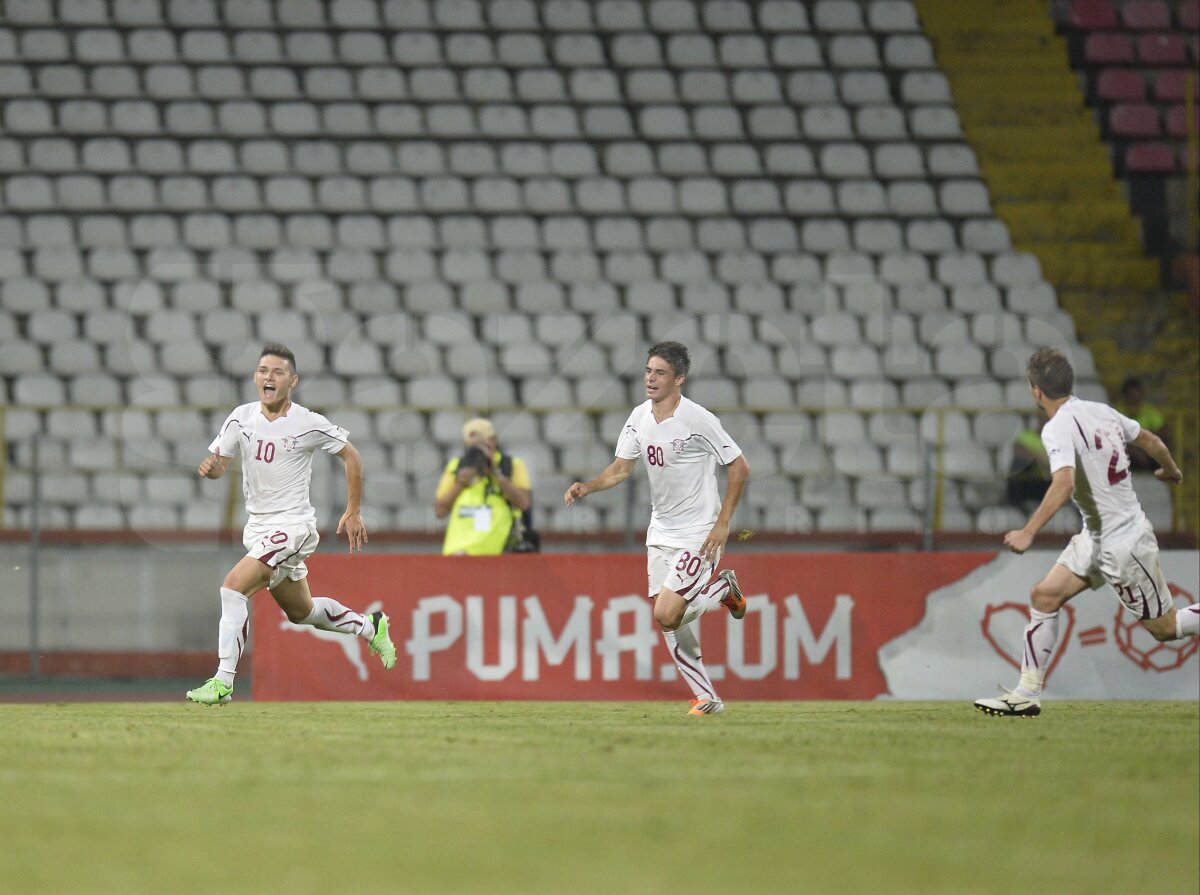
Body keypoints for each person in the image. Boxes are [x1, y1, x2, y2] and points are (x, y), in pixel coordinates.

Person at [975, 348, 1198, 717]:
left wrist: (1028, 532)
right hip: (1096, 537)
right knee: (1044, 595)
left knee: (1166, 628)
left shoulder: (1056, 427)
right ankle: (1026, 694)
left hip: (1124, 544)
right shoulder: (1101, 410)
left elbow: (1063, 483)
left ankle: (1026, 692)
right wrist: (1170, 470)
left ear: (1036, 390)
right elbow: (1152, 441)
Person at [186, 343, 395, 706]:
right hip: (259, 530)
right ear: (255, 377)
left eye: (277, 371)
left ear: (292, 381)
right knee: (302, 612)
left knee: (233, 587)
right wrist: (212, 469)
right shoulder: (240, 418)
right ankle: (369, 626)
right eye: (263, 370)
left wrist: (354, 510)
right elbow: (221, 463)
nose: (268, 377)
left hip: (294, 527)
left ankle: (222, 682)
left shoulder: (307, 422)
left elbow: (352, 456)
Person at [564, 341, 751, 716]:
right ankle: (707, 697)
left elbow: (740, 467)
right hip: (661, 531)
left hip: (698, 533)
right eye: (648, 370)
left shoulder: (698, 419)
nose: (651, 378)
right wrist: (589, 486)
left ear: (679, 378)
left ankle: (721, 587)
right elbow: (621, 469)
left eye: (660, 372)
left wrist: (722, 524)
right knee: (673, 618)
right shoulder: (639, 416)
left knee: (666, 614)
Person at [434, 417, 534, 556]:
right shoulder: (457, 465)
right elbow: (440, 511)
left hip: (496, 553)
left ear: (493, 440)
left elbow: (524, 503)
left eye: (484, 444)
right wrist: (460, 483)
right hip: (458, 552)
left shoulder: (511, 465)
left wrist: (496, 473)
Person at [1116, 376, 1169, 471]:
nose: (1134, 399)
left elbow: (1163, 430)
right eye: (1131, 396)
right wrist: (1135, 450)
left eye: (1136, 396)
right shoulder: (1118, 413)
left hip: (1145, 451)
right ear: (1125, 396)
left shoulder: (1149, 411)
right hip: (1128, 452)